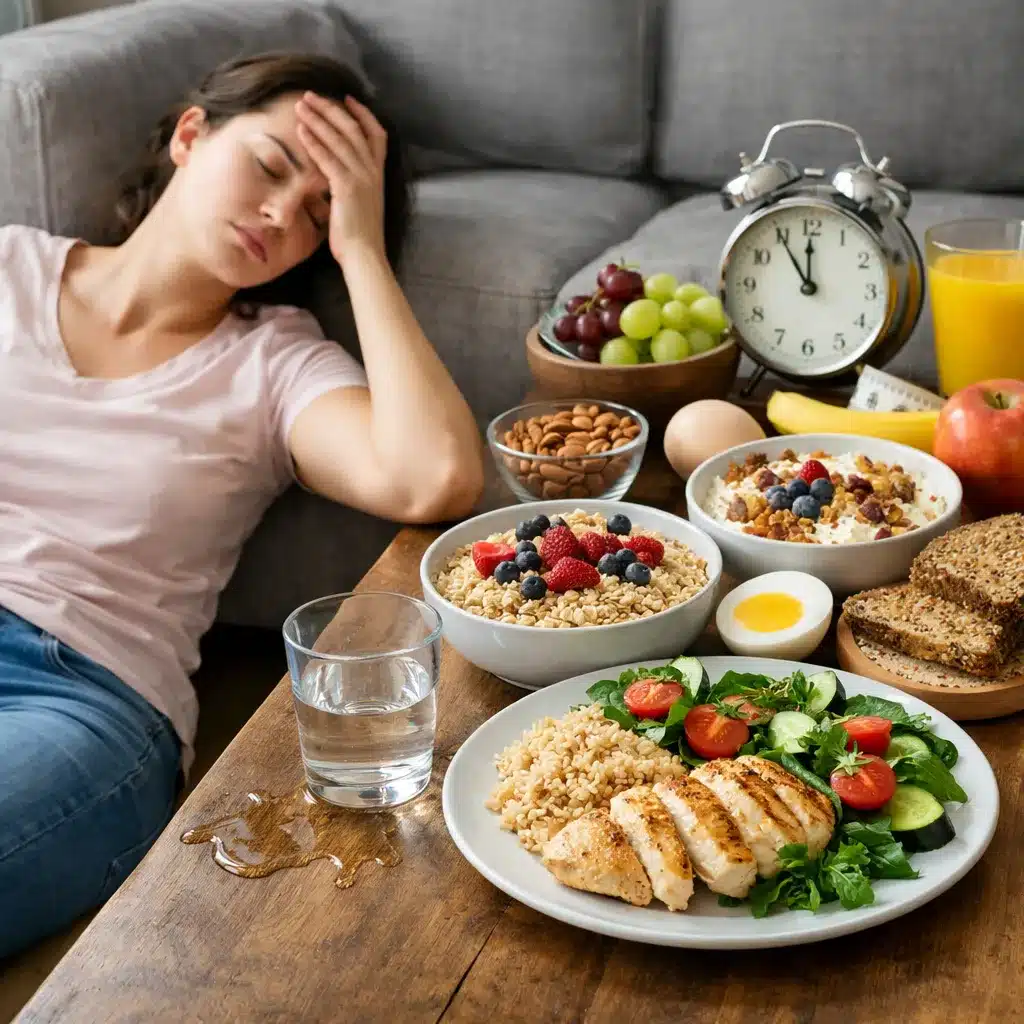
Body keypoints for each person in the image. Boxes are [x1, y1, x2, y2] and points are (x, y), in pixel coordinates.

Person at [0, 51, 484, 959]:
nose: (277, 213)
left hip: (81, 695)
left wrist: (362, 248)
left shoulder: (275, 365)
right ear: (192, 134)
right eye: (268, 166)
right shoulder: (8, 266)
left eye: (316, 213)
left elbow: (435, 478)